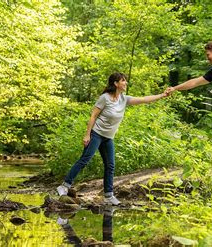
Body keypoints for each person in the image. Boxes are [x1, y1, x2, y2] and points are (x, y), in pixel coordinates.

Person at [56, 72, 168, 205]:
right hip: (96, 134)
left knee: (110, 165)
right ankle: (64, 186)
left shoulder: (124, 99)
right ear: (116, 83)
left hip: (108, 138)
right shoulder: (105, 98)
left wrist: (162, 95)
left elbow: (144, 99)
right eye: (123, 81)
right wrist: (87, 134)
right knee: (85, 159)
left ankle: (108, 195)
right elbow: (93, 116)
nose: (126, 83)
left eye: (125, 81)